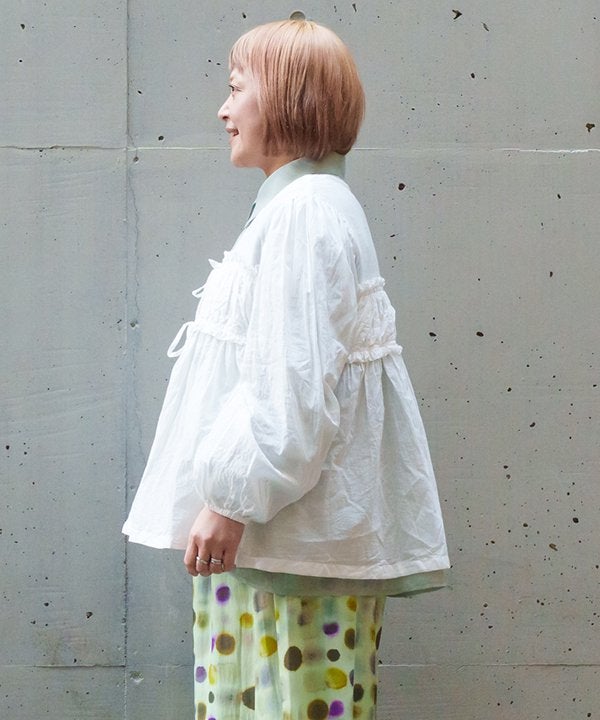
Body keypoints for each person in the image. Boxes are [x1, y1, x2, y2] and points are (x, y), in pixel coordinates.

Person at [123, 15, 449, 720]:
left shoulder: (304, 213)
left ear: (287, 98)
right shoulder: (306, 207)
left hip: (281, 545)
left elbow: (294, 390)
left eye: (237, 88)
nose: (223, 109)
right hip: (277, 540)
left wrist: (230, 501)